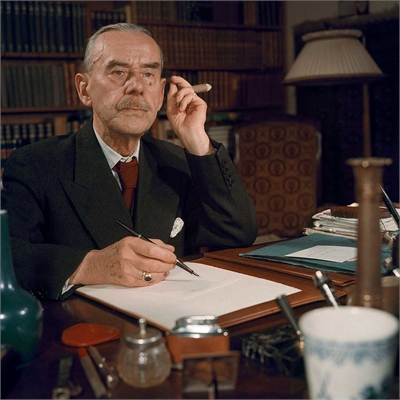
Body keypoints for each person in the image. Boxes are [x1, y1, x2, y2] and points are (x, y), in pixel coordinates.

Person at [1, 23, 258, 300]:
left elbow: (237, 234)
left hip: (171, 312)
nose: (136, 87)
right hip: (86, 322)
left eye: (148, 74)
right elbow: (9, 254)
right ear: (84, 89)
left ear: (160, 93)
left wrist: (197, 140)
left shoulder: (177, 160)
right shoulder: (35, 164)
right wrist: (90, 266)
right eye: (119, 72)